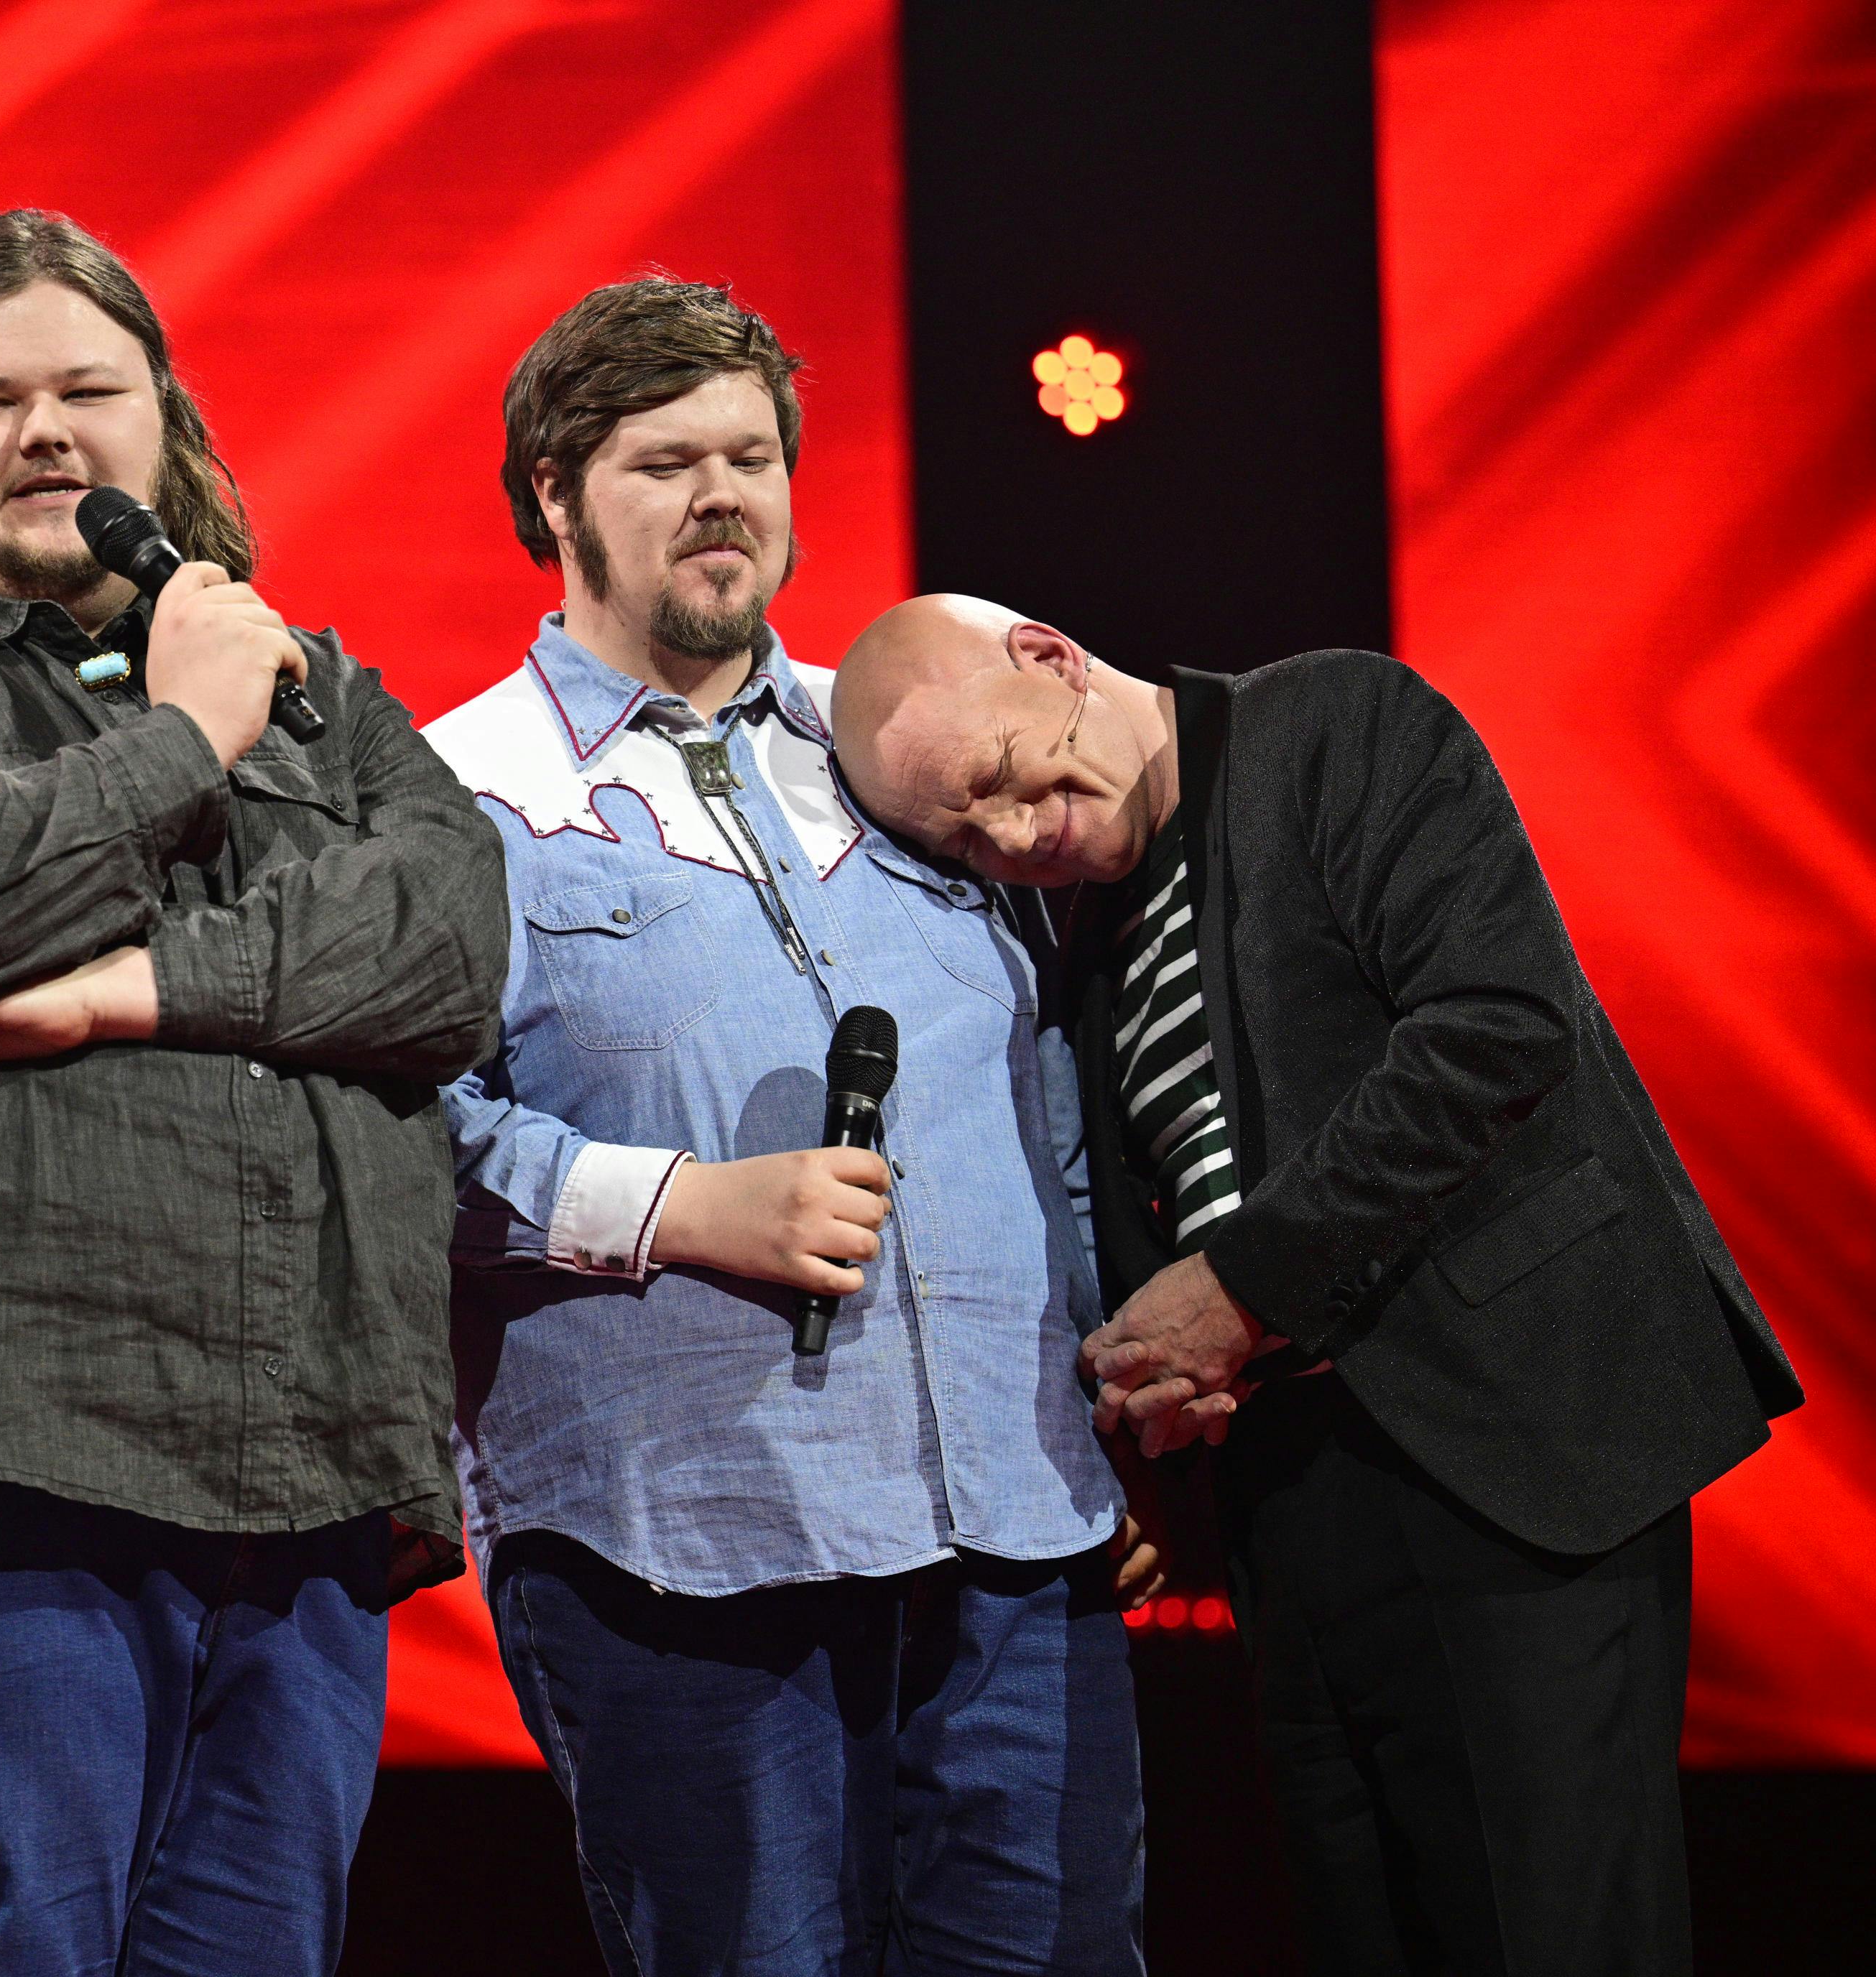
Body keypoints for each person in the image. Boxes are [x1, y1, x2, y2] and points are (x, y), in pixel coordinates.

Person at [0, 209, 507, 1977]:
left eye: (92, 389)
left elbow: (449, 949)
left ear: (168, 426)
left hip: (308, 1468)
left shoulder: (324, 690)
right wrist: (180, 743)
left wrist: (103, 989)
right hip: (6, 1463)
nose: (48, 431)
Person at [831, 595, 1805, 1977]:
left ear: (1049, 657)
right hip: (1300, 1505)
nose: (1016, 837)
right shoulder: (1089, 937)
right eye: (968, 838)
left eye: (998, 778)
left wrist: (1240, 1289)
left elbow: (1495, 1022)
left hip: (1510, 1460)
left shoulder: (1330, 721)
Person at [426, 280, 1155, 1977]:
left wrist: (1113, 1381)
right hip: (678, 1540)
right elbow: (403, 1135)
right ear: (556, 492)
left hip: (1020, 1525)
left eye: (751, 453)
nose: (722, 494)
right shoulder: (452, 790)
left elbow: (1049, 1085)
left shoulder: (900, 740)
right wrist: (681, 1207)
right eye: (665, 458)